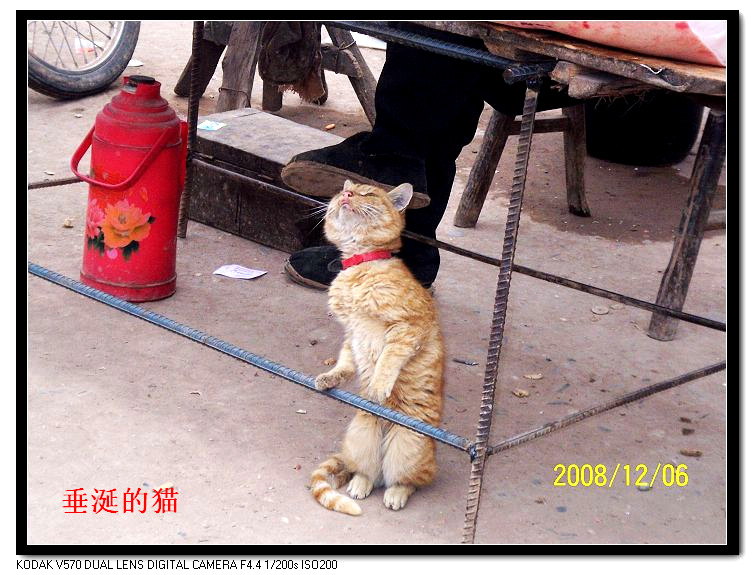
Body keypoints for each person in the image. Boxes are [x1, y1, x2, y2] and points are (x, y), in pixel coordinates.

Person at [281, 23, 581, 290]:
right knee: (444, 99)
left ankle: (391, 155)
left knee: (439, 34)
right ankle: (407, 252)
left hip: (565, 54)